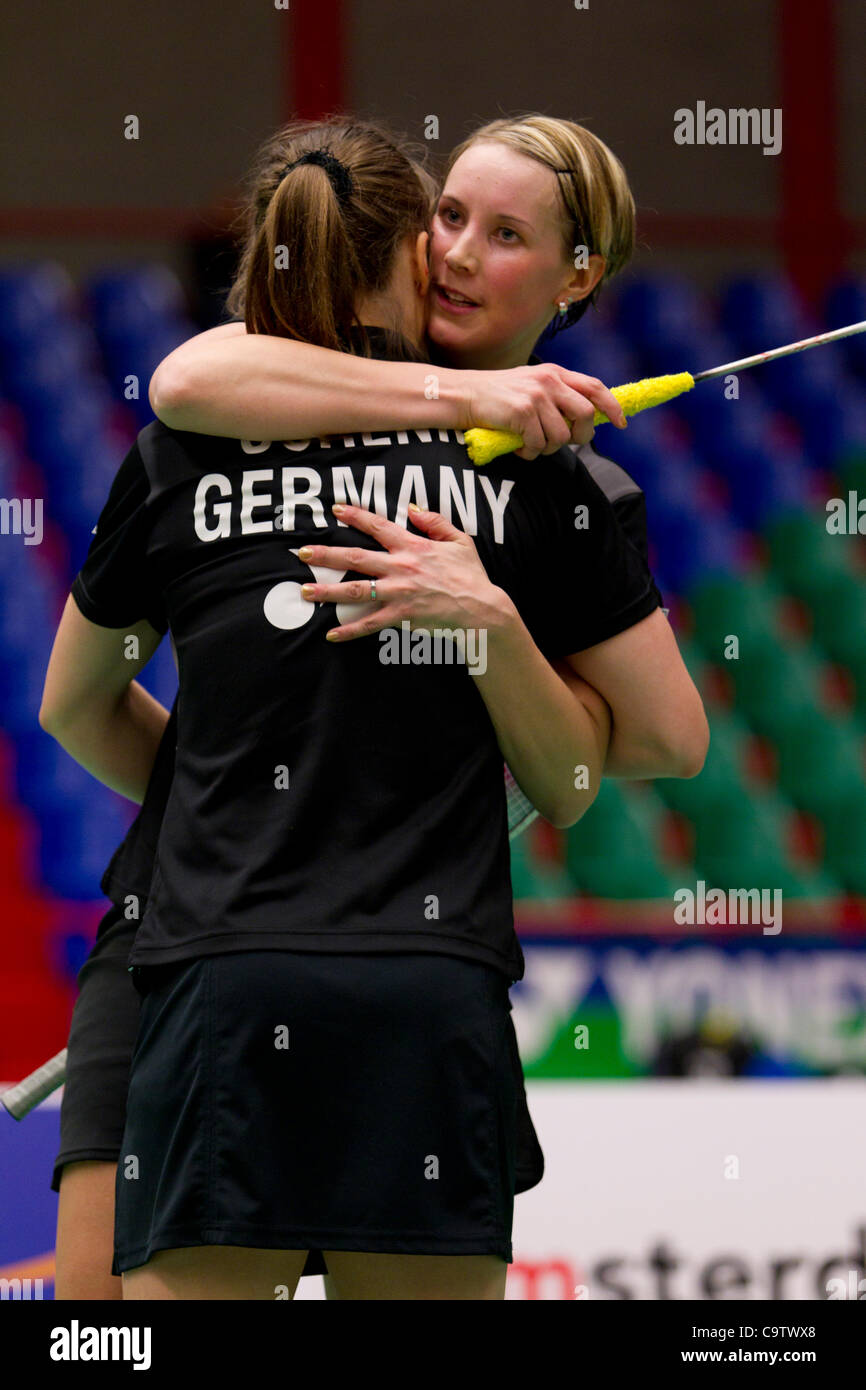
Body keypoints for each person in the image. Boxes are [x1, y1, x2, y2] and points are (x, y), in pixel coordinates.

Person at [43, 115, 706, 1300]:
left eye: (503, 236)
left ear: (576, 277)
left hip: (390, 961)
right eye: (447, 217)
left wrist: (494, 628)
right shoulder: (215, 415)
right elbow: (193, 377)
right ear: (402, 233)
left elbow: (632, 753)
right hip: (177, 938)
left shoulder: (561, 484)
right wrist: (216, 796)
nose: (455, 253)